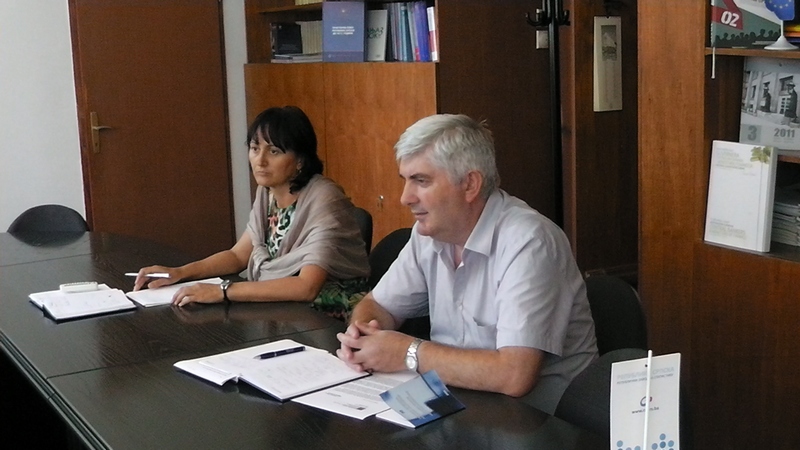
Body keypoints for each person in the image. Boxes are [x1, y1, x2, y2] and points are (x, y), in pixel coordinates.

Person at [336, 114, 598, 414]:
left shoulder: (529, 241)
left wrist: (406, 352)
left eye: (421, 181)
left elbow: (515, 375)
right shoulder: (428, 234)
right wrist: (363, 334)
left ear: (470, 184)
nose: (405, 198)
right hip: (459, 403)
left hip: (541, 420)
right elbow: (378, 304)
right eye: (405, 180)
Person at [133, 106, 370, 318]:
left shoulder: (324, 198)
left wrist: (223, 291)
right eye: (255, 148)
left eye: (274, 151)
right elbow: (238, 256)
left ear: (300, 160)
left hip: (333, 316)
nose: (260, 160)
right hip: (285, 308)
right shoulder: (267, 194)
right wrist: (179, 273)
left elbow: (306, 287)